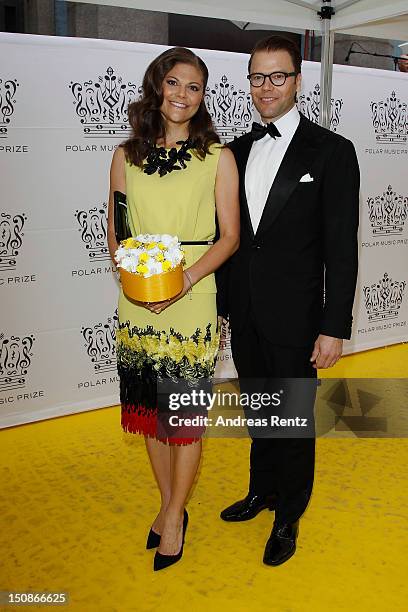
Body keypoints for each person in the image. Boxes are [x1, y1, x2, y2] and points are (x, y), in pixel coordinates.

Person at [217, 35, 360, 566]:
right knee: (260, 411)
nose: (266, 87)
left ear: (298, 81)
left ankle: (289, 516)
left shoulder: (332, 152)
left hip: (299, 318)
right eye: (257, 77)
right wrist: (222, 308)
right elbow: (230, 237)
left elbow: (341, 249)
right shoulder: (234, 151)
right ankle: (263, 491)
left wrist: (333, 326)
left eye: (278, 76)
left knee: (294, 419)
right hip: (246, 310)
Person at [107, 47, 239, 571]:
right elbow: (117, 229)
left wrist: (181, 280)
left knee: (181, 418)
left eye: (195, 87)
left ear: (203, 97)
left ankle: (174, 515)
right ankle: (171, 508)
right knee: (151, 417)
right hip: (138, 299)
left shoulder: (219, 157)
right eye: (175, 83)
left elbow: (228, 238)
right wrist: (138, 279)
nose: (183, 95)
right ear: (157, 86)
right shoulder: (124, 155)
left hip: (192, 295)